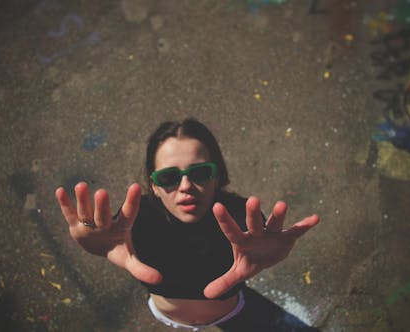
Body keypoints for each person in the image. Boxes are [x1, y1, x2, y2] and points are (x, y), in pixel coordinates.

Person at [55, 118, 320, 331]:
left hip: (231, 314)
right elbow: (109, 238)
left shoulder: (241, 220)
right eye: (169, 177)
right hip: (166, 317)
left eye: (200, 173)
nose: (185, 187)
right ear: (155, 186)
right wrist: (101, 247)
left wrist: (267, 258)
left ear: (217, 176)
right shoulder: (132, 221)